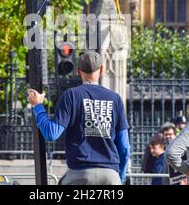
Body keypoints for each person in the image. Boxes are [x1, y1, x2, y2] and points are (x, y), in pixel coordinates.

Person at [28, 51, 130, 185]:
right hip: (110, 175)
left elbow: (51, 133)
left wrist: (38, 106)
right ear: (101, 70)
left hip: (79, 173)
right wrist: (119, 177)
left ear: (78, 71)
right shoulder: (115, 99)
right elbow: (124, 148)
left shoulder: (71, 96)